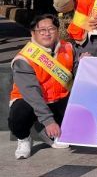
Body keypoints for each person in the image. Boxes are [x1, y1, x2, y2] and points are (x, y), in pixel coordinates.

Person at [9, 14, 81, 158]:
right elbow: (32, 93)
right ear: (33, 33)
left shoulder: (68, 47)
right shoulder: (24, 58)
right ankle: (24, 138)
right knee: (19, 113)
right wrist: (48, 121)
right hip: (31, 101)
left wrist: (84, 62)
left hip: (59, 99)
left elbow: (77, 75)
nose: (47, 33)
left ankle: (48, 132)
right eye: (42, 30)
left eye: (51, 29)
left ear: (57, 31)